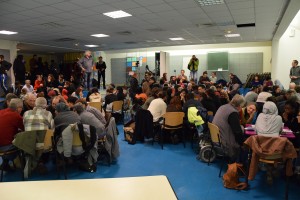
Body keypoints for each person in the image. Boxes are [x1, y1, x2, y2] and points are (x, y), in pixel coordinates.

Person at [212, 94, 246, 162]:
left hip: (216, 138)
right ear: (240, 106)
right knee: (245, 142)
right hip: (225, 142)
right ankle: (240, 163)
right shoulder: (233, 113)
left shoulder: (223, 106)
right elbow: (237, 132)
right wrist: (243, 144)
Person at [0, 98, 24, 171]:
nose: (22, 110)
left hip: (1, 146)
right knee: (25, 141)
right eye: (21, 108)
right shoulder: (16, 116)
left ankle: (5, 163)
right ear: (18, 108)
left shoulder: (1, 112)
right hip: (7, 148)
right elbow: (25, 128)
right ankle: (25, 164)